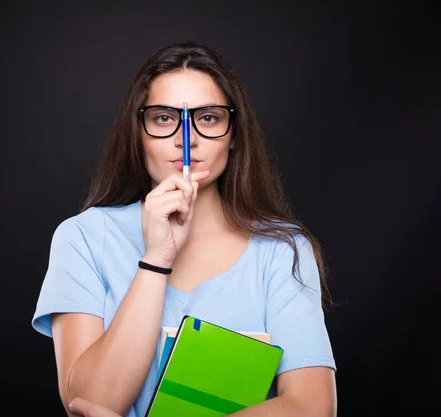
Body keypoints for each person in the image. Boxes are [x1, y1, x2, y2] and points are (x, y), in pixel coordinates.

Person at [31, 41, 337, 417]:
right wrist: (156, 259)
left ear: (234, 134)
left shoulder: (283, 249)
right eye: (163, 118)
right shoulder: (83, 238)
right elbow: (90, 403)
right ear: (138, 132)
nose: (185, 137)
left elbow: (312, 406)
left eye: (207, 118)